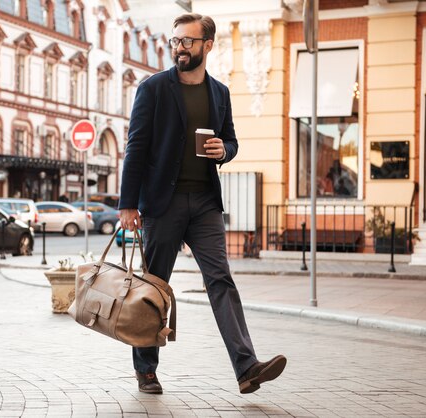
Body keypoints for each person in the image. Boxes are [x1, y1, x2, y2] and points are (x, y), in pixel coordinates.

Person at [119, 13, 286, 395]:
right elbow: (136, 148)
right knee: (154, 286)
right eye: (175, 41)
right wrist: (128, 205)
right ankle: (146, 368)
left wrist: (222, 151)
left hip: (206, 203)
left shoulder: (219, 93)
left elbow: (232, 140)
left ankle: (247, 368)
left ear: (208, 45)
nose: (180, 47)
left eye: (188, 41)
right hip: (164, 203)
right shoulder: (153, 88)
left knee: (221, 280)